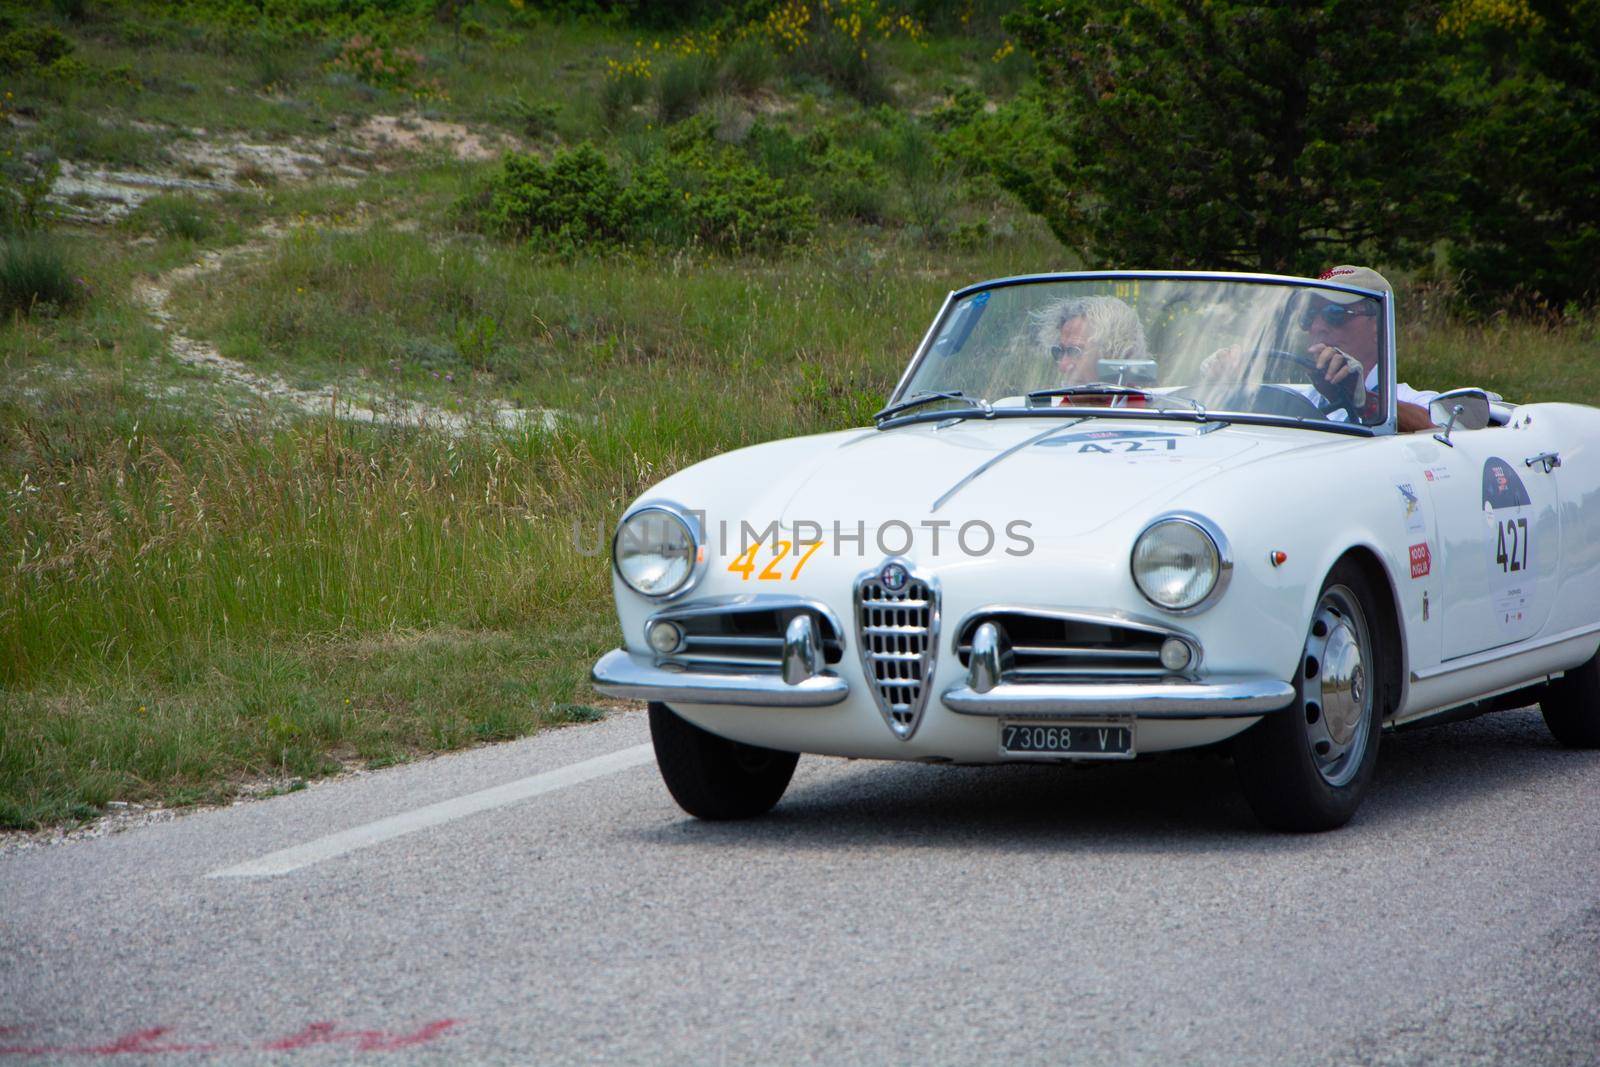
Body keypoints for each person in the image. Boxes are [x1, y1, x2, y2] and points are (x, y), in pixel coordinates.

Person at [1208, 266, 1438, 432]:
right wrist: (1230, 385)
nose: (1317, 327)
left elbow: (1439, 432)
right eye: (1308, 316)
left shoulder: (1414, 400)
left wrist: (1364, 401)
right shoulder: (1295, 399)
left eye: (1334, 314)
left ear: (1378, 324)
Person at [1030, 294, 1150, 387]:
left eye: (1075, 351)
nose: (1063, 366)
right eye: (1058, 352)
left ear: (1115, 355)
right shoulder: (1053, 413)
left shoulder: (1146, 415)